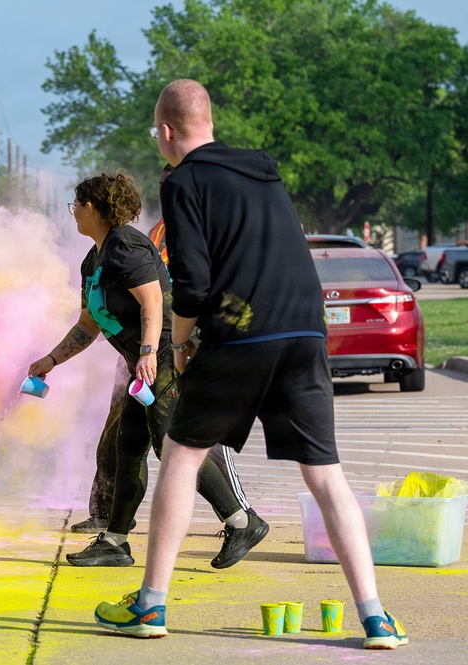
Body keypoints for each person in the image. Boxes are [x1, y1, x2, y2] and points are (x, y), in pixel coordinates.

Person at [94, 79, 407, 650]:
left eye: (155, 133)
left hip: (242, 332)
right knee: (323, 474)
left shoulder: (183, 181)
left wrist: (182, 347)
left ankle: (149, 606)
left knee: (183, 457)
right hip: (306, 330)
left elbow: (191, 286)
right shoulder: (264, 169)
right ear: (209, 121)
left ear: (166, 131)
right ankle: (376, 617)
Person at [28, 170, 266, 569]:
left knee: (171, 447)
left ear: (93, 208)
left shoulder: (125, 244)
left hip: (168, 356)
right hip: (146, 364)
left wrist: (146, 353)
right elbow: (88, 325)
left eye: (76, 207)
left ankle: (242, 521)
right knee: (129, 446)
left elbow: (153, 303)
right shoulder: (94, 259)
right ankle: (116, 542)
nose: (73, 214)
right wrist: (51, 360)